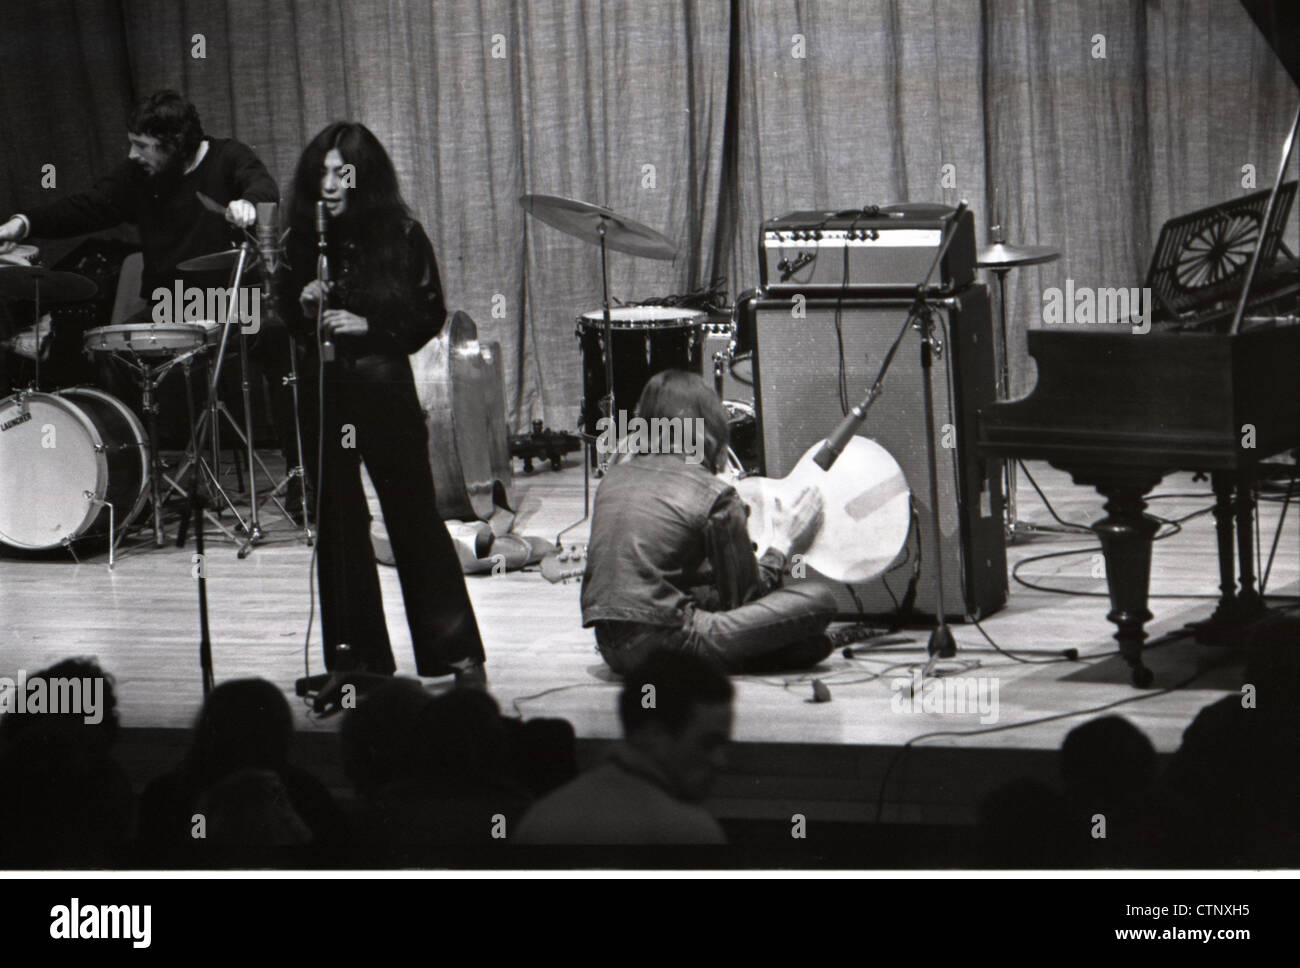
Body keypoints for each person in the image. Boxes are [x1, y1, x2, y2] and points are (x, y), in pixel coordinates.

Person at [0, 90, 303, 509]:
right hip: (172, 304)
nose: (133, 154)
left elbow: (262, 187)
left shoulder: (229, 157)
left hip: (234, 299)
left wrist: (248, 206)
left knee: (279, 338)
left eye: (142, 145)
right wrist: (24, 221)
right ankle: (137, 483)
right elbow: (87, 205)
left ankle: (301, 476)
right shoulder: (138, 177)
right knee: (112, 350)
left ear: (174, 142)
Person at [279, 121, 486, 687]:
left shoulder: (400, 232)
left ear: (362, 175)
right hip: (324, 391)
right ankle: (357, 663)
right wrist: (302, 302)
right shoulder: (300, 239)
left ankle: (458, 658)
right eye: (320, 171)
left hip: (380, 386)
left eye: (341, 171)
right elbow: (282, 321)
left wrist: (369, 324)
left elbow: (428, 312)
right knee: (339, 524)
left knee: (413, 518)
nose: (329, 183)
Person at [581, 368, 838, 675]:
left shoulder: (613, 478)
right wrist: (783, 544)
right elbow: (744, 600)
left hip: (610, 648)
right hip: (669, 641)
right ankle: (719, 660)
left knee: (812, 644)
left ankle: (733, 657)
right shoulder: (713, 492)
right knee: (820, 601)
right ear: (709, 424)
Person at [516, 648, 732, 845]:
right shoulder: (691, 834)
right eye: (708, 743)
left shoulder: (541, 818)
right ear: (655, 734)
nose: (721, 761)